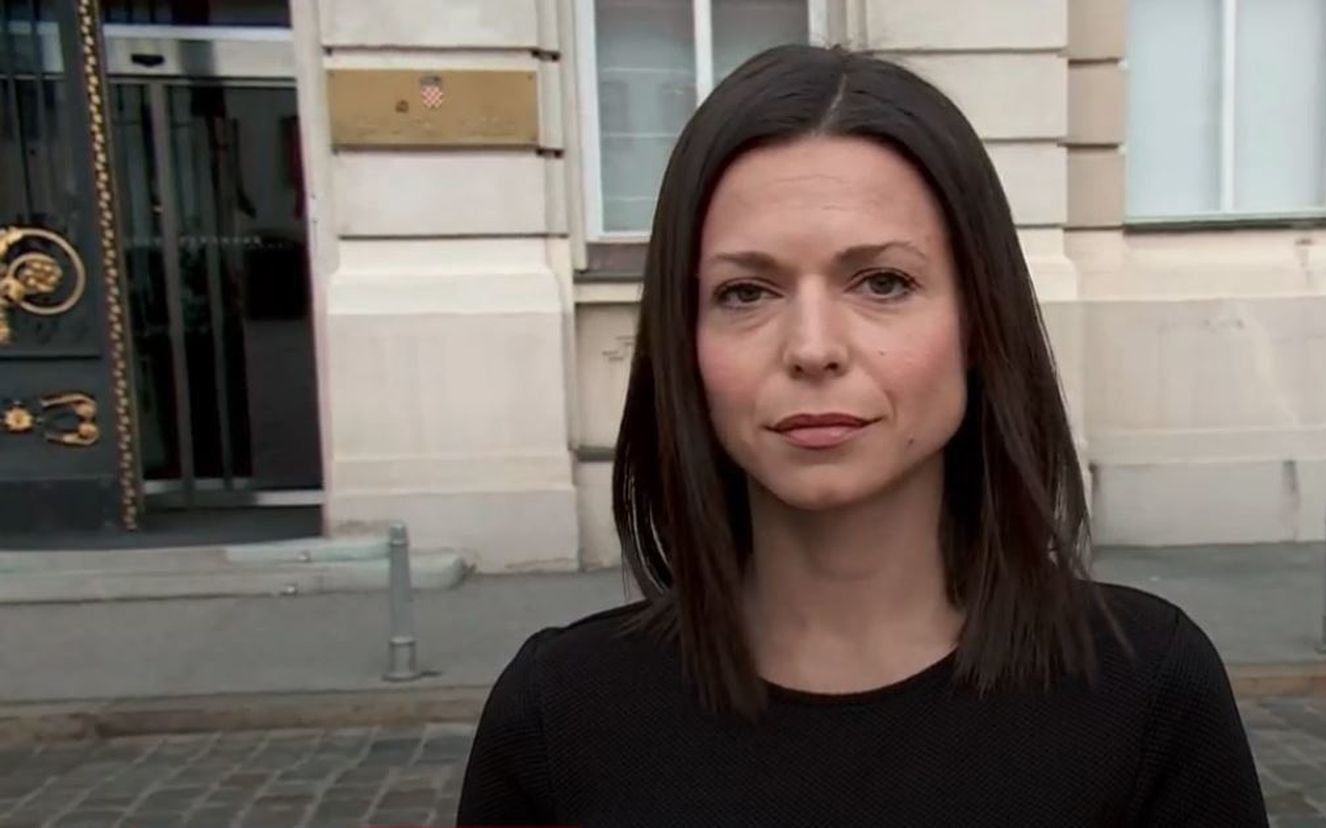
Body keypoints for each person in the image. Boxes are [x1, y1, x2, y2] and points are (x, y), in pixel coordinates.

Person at [458, 44, 1266, 827]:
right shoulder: (559, 719)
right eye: (746, 292)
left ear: (978, 321)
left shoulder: (1144, 694)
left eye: (883, 282)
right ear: (683, 342)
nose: (813, 348)